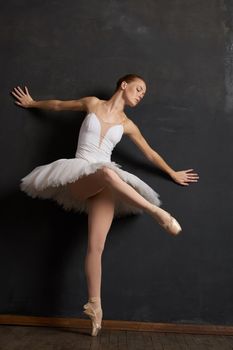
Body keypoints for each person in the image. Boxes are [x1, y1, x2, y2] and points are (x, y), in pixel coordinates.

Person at [11, 74, 199, 336]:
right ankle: (157, 212)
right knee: (109, 172)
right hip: (80, 174)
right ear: (124, 85)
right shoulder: (92, 103)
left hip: (106, 185)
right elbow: (58, 105)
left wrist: (172, 172)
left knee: (96, 246)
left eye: (144, 93)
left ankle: (95, 306)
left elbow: (150, 152)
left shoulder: (127, 124)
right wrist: (33, 104)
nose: (141, 94)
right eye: (139, 88)